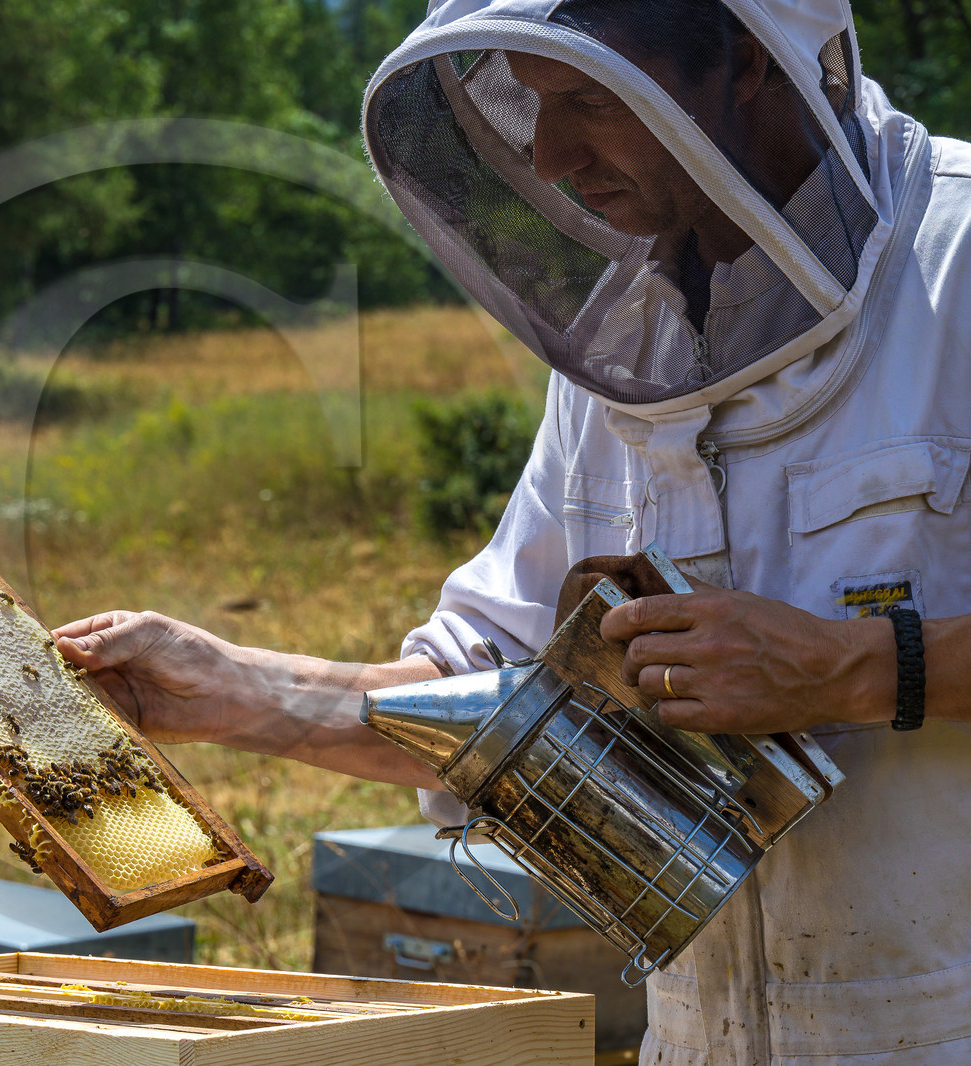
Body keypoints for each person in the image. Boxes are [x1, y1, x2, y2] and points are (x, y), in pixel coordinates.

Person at [55, 1, 971, 1063]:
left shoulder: (956, 270)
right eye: (533, 104)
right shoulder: (627, 350)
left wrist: (867, 669)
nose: (549, 153)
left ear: (751, 62)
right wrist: (233, 687)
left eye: (590, 99)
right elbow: (497, 694)